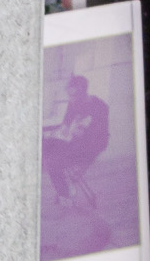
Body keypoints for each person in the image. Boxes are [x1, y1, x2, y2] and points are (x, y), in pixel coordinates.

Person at [41, 73, 108, 206]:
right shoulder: (73, 102)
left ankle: (65, 192)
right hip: (75, 141)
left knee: (52, 162)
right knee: (45, 145)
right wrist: (62, 131)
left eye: (74, 96)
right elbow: (66, 122)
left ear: (83, 93)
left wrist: (84, 163)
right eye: (69, 95)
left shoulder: (99, 106)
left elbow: (100, 138)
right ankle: (65, 186)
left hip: (91, 145)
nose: (71, 99)